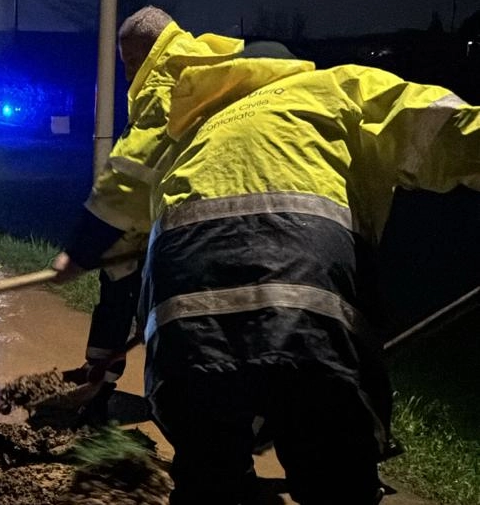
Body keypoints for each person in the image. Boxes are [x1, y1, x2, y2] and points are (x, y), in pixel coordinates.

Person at [54, 6, 480, 505]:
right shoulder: (339, 87)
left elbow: (123, 200)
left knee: (209, 476)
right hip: (307, 315)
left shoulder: (188, 127)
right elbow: (451, 130)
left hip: (185, 331)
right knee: (335, 477)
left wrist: (79, 253)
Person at [59, 8, 243, 426]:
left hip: (197, 226)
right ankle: (102, 382)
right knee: (123, 287)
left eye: (129, 60)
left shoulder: (166, 83)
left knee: (178, 322)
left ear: (150, 49)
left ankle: (208, 434)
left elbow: (131, 174)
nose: (126, 71)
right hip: (202, 218)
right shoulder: (204, 66)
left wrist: (80, 250)